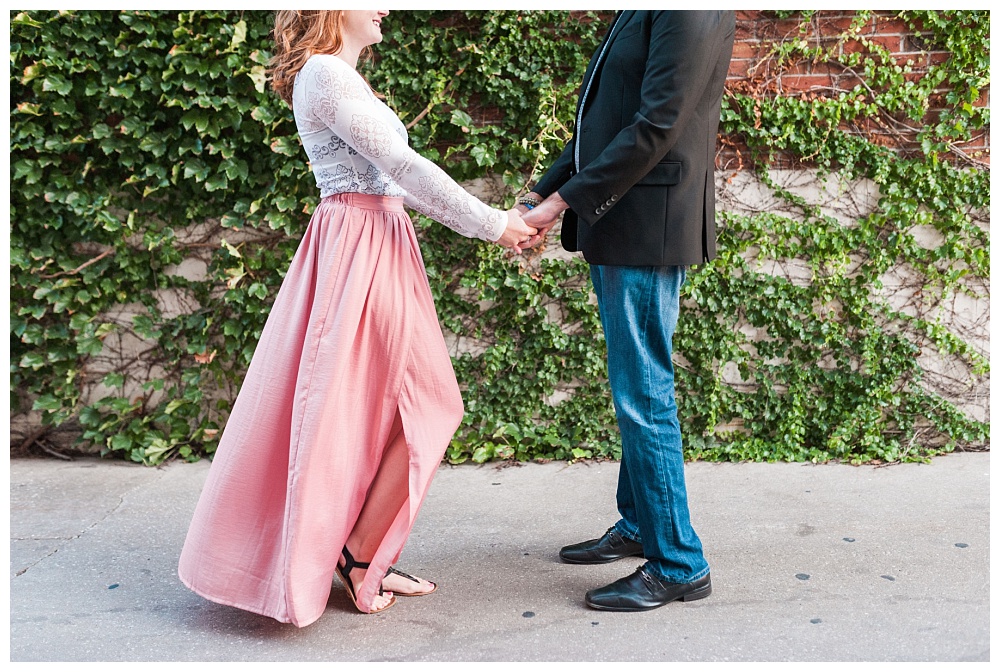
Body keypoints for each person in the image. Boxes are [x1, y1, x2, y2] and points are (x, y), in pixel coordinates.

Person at [178, 10, 536, 626]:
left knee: (415, 403)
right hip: (357, 241)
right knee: (364, 405)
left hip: (382, 237)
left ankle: (361, 550)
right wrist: (490, 223)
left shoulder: (341, 75)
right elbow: (400, 165)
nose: (387, 8)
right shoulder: (322, 74)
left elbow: (400, 179)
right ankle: (349, 554)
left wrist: (496, 224)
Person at [518, 10, 735, 612]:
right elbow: (600, 123)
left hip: (647, 226)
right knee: (638, 387)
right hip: (626, 222)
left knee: (644, 393)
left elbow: (656, 123)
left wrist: (561, 202)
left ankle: (679, 563)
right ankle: (640, 525)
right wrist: (543, 192)